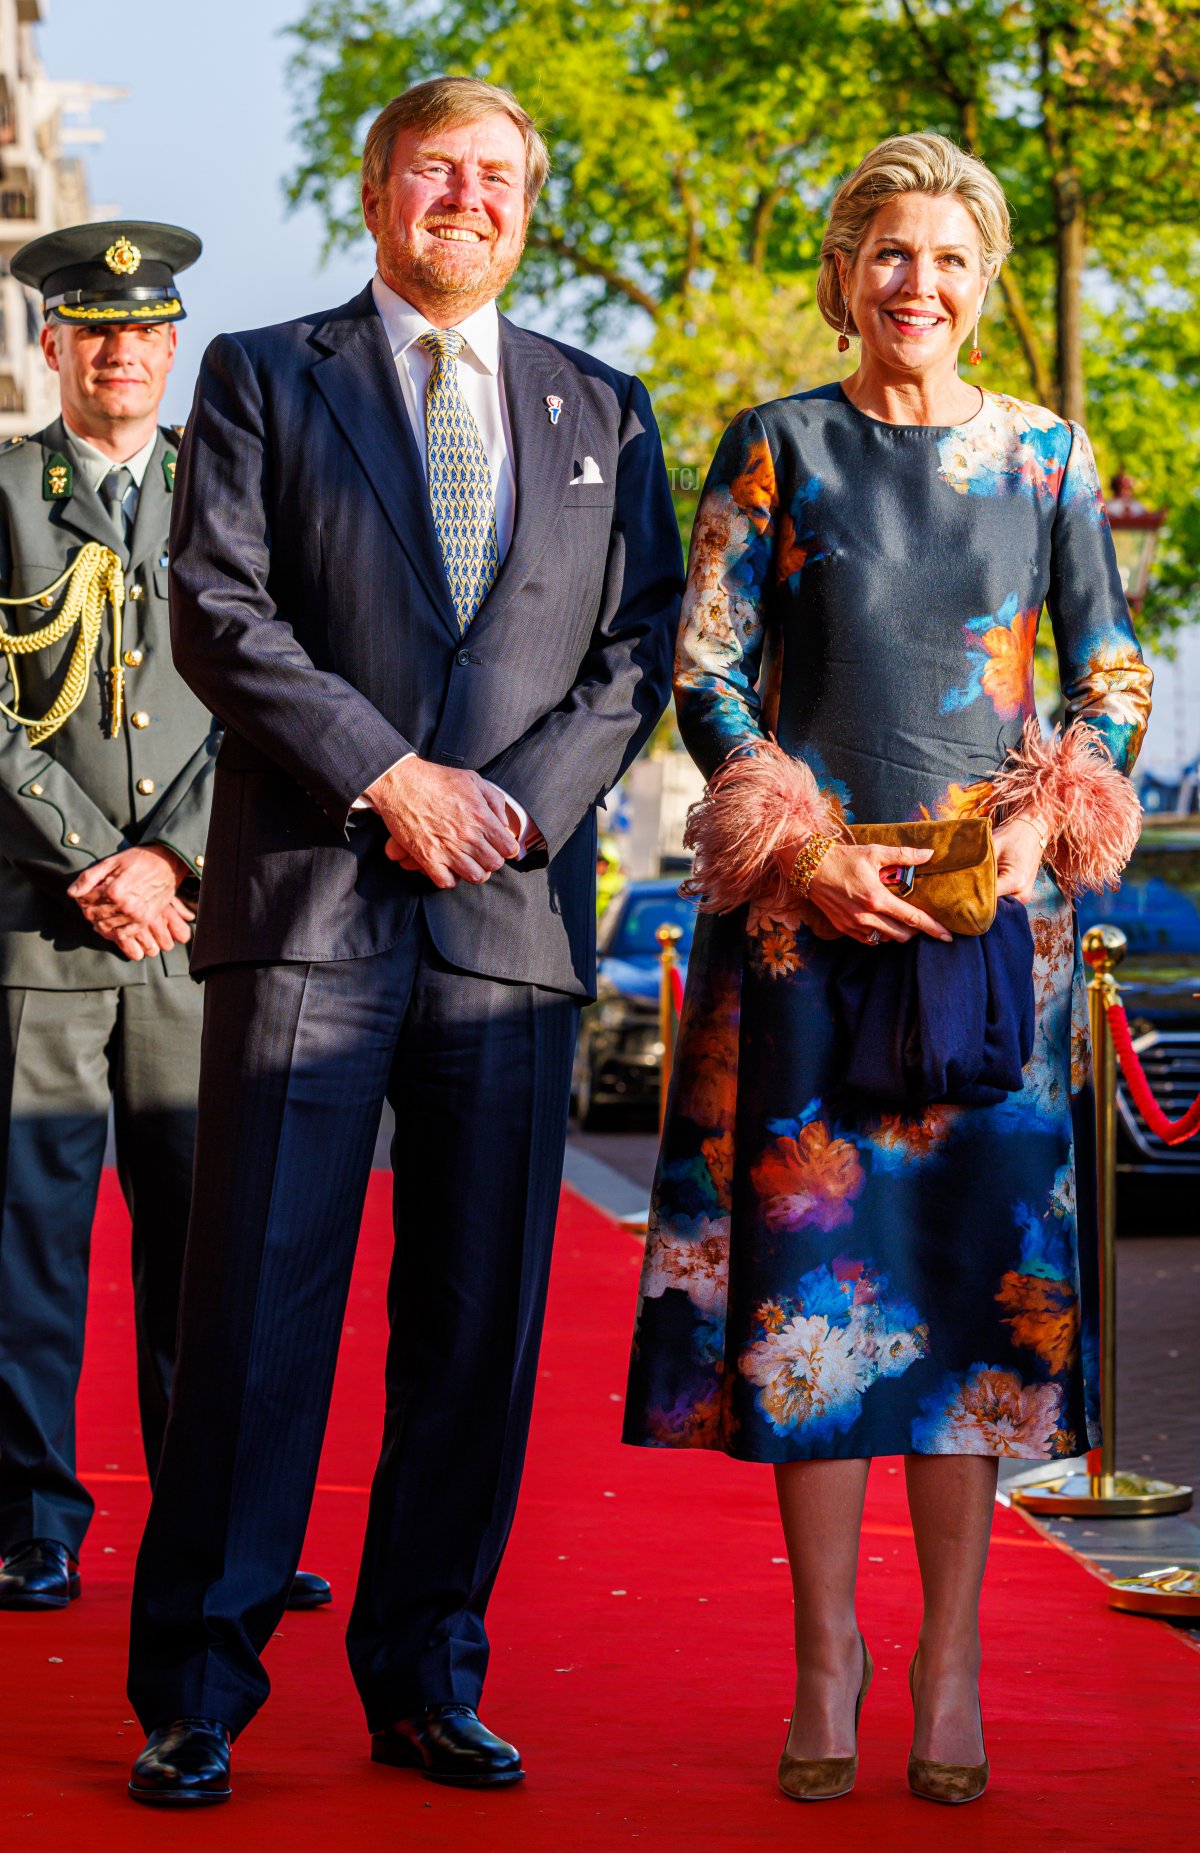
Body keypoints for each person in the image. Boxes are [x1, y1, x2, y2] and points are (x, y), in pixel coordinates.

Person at [125, 77, 681, 1807]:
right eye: (437, 167)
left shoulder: (609, 406)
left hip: (507, 927)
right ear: (376, 191)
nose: (469, 196)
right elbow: (216, 606)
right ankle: (200, 1689)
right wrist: (390, 779)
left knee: (477, 1326)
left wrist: (496, 807)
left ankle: (428, 1671)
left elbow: (637, 646)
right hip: (308, 909)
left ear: (531, 203)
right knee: (257, 1310)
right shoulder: (260, 376)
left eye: (502, 175)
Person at [623, 133, 1152, 1806]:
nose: (915, 283)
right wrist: (797, 841)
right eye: (886, 253)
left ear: (986, 280)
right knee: (822, 1315)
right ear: (847, 269)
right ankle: (830, 1657)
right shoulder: (778, 447)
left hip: (993, 934)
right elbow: (703, 671)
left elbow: (1116, 667)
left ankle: (950, 1665)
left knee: (971, 1308)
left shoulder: (1053, 460)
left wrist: (1043, 820)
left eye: (947, 257)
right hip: (806, 928)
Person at [0, 221, 329, 1621]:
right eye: (94, 329)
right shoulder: (5, 491)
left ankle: (221, 1531)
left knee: (214, 1253)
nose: (122, 352)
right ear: (50, 344)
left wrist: (172, 858)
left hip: (198, 931)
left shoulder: (232, 495)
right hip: (38, 932)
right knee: (28, 1248)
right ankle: (29, 1521)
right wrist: (92, 855)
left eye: (145, 330)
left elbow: (284, 688)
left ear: (172, 342)